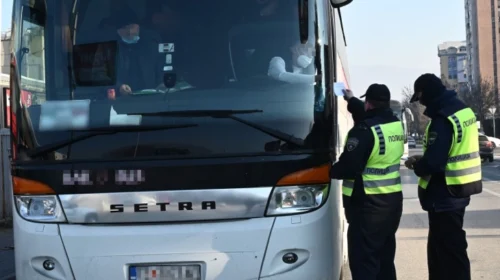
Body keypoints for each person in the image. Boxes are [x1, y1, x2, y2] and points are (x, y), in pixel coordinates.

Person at [404, 73, 482, 280]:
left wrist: (418, 165)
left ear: (424, 93)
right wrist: (427, 157)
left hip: (444, 194)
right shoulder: (462, 111)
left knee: (449, 253)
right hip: (459, 189)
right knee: (445, 250)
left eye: (419, 97)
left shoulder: (443, 118)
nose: (420, 103)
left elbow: (435, 163)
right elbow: (452, 150)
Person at [331, 84, 404, 280]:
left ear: (368, 104)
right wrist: (350, 99)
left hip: (367, 206)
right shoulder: (395, 124)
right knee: (385, 259)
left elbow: (348, 167)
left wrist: (328, 170)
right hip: (392, 204)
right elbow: (370, 118)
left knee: (364, 262)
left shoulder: (363, 130)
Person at [111, 10, 164, 96]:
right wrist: (119, 86)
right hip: (123, 100)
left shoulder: (152, 43)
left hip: (152, 98)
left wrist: (162, 82)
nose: (129, 32)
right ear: (117, 31)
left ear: (139, 26)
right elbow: (102, 75)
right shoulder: (111, 48)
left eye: (132, 26)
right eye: (124, 28)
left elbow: (162, 66)